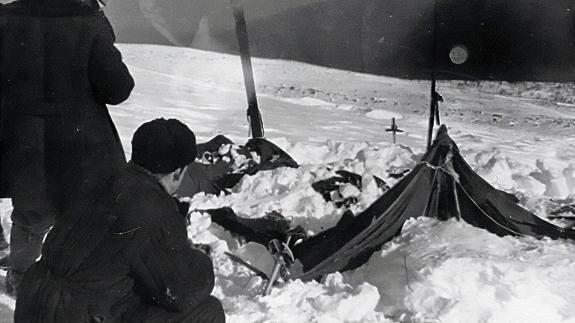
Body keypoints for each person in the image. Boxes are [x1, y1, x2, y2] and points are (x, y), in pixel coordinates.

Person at [14, 118, 226, 323]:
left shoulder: (99, 179)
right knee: (207, 311)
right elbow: (180, 292)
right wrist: (200, 260)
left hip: (34, 304)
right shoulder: (152, 205)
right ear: (178, 172)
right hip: (76, 313)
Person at [0, 0, 134, 294]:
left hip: (24, 141)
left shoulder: (5, 17)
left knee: (29, 215)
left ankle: (20, 278)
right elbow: (117, 88)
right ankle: (76, 283)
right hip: (80, 143)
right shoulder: (89, 19)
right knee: (82, 214)